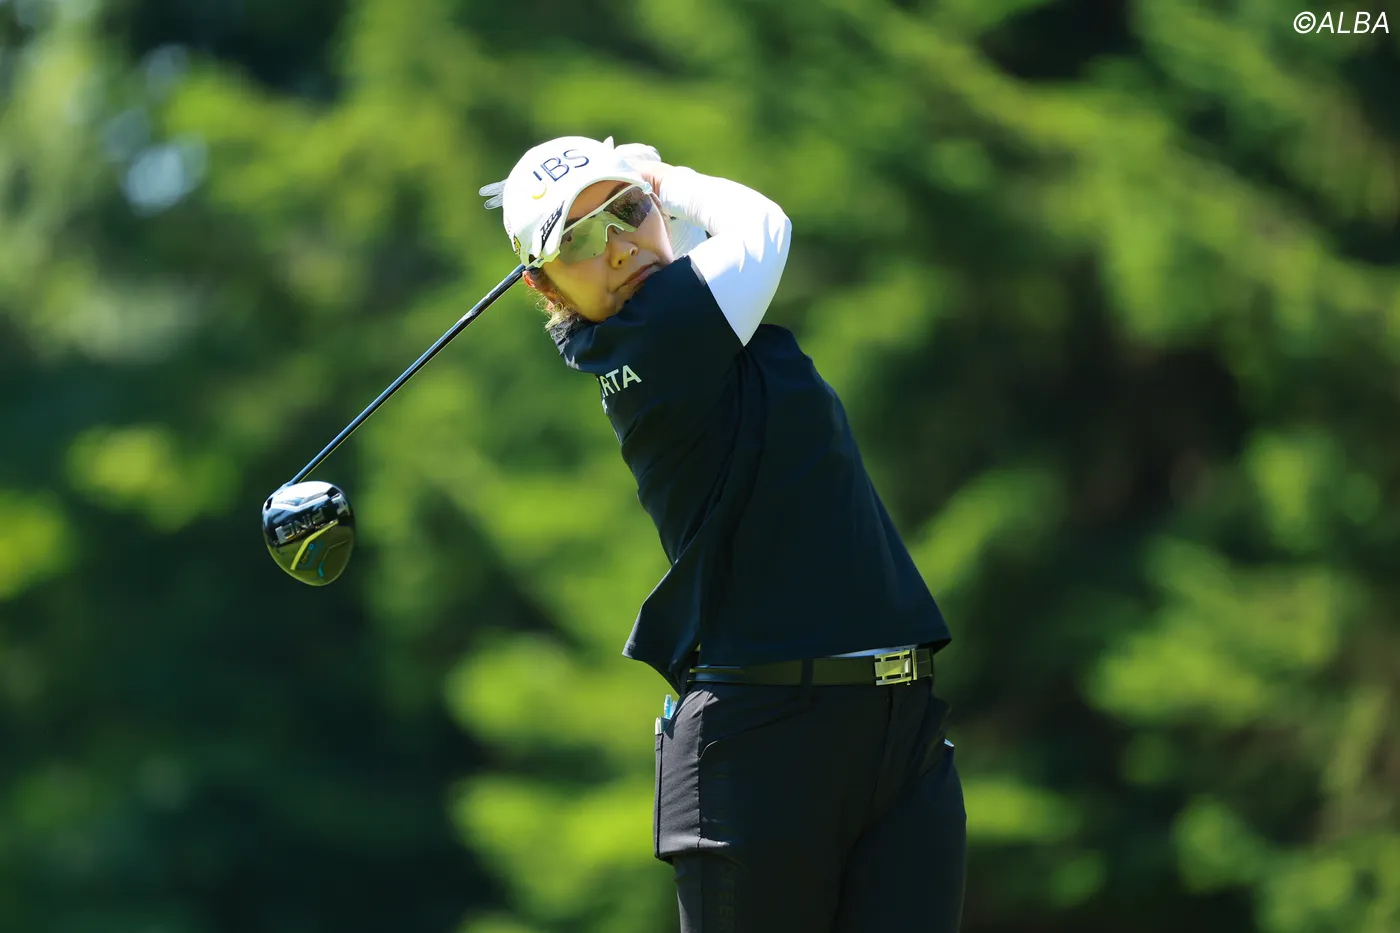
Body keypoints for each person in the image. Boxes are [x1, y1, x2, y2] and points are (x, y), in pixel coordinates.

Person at [480, 136, 966, 932]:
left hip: (896, 731)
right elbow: (762, 227)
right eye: (580, 239)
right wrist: (665, 179)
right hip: (763, 748)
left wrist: (654, 201)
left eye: (626, 212)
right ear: (543, 283)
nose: (619, 247)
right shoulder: (657, 333)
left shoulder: (679, 322)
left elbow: (691, 255)